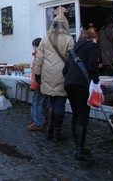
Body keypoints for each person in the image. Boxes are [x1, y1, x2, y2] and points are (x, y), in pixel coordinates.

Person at [34, 14, 75, 142]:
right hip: (62, 75)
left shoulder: (45, 39)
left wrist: (37, 75)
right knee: (60, 103)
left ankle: (49, 130)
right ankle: (56, 133)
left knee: (50, 101)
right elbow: (72, 60)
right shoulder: (69, 39)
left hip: (47, 74)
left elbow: (38, 59)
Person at [63, 30, 100, 166]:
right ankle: (79, 151)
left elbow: (64, 71)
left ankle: (78, 147)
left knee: (76, 115)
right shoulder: (92, 46)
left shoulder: (74, 50)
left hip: (69, 84)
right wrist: (95, 81)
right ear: (92, 38)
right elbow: (92, 66)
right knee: (83, 116)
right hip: (82, 85)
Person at [27, 37, 46, 131]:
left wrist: (34, 84)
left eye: (35, 46)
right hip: (42, 83)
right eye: (33, 46)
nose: (34, 48)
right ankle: (40, 121)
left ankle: (38, 122)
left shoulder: (39, 56)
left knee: (36, 103)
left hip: (39, 84)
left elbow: (37, 72)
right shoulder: (40, 56)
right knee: (41, 103)